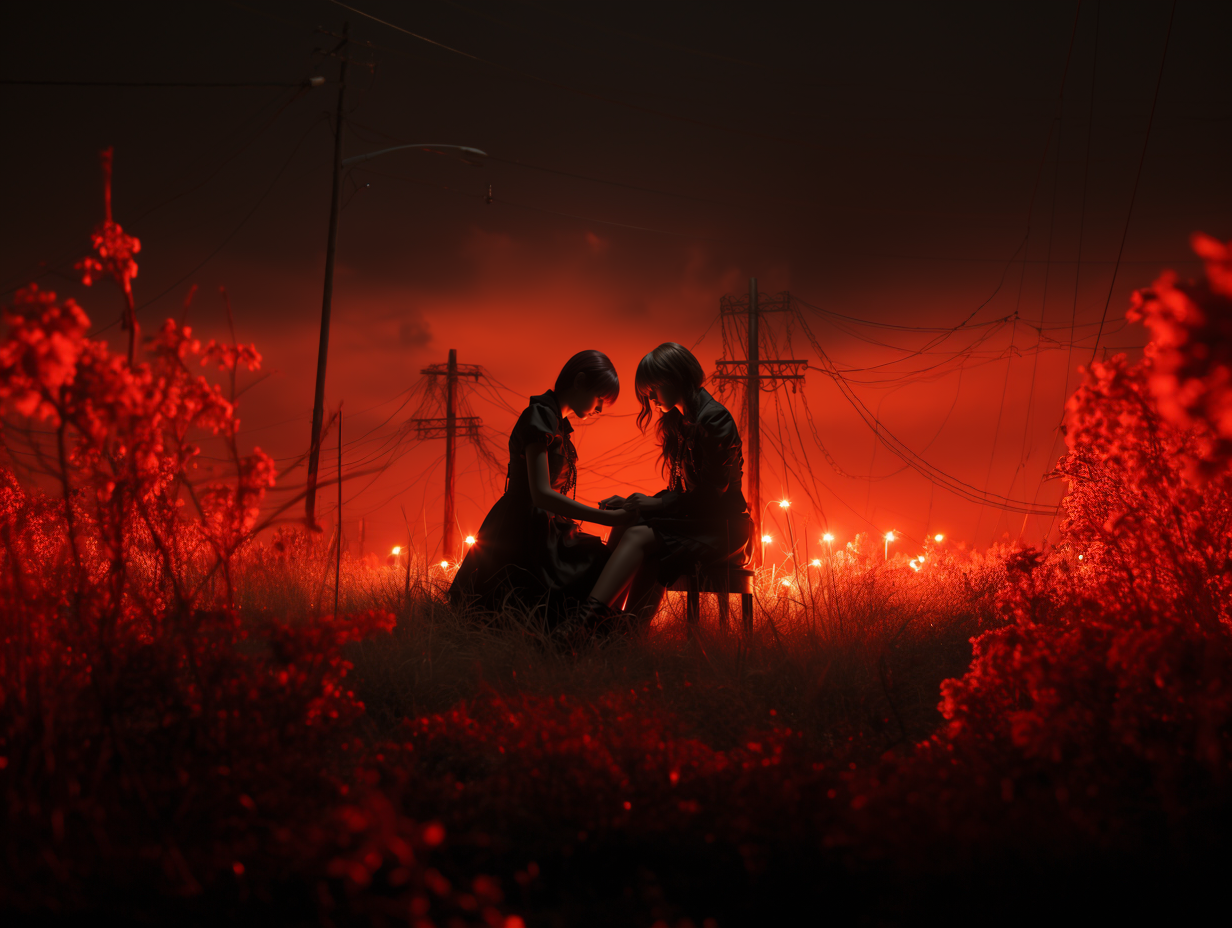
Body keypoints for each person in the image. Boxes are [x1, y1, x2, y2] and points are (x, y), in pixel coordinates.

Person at [449, 350, 632, 628]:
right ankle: (597, 630)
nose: (599, 410)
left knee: (600, 560)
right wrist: (608, 518)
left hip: (541, 526)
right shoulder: (540, 416)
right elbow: (541, 494)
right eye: (600, 399)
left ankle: (598, 628)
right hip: (524, 530)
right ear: (580, 381)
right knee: (594, 563)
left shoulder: (555, 421)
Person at [586, 342, 752, 626]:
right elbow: (683, 493)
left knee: (638, 536)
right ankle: (609, 620)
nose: (650, 398)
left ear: (676, 379)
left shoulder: (714, 419)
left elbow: (713, 496)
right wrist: (635, 503)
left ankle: (586, 620)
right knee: (626, 519)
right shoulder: (681, 420)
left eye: (653, 388)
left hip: (723, 528)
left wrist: (657, 504)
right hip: (698, 522)